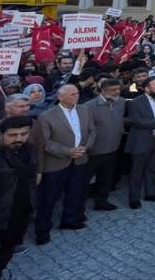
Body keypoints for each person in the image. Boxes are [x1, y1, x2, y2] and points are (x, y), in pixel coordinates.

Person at [32, 84, 97, 245]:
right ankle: (42, 230)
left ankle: (70, 220)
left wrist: (86, 147)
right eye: (72, 94)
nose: (77, 96)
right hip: (55, 163)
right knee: (49, 198)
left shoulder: (84, 110)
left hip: (80, 159)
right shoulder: (46, 116)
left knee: (75, 192)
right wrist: (68, 151)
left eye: (77, 93)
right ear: (60, 97)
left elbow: (92, 131)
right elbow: (44, 143)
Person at [0, 116, 36, 280]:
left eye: (24, 133)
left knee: (8, 249)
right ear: (2, 134)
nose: (19, 138)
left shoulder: (30, 149)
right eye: (13, 135)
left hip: (21, 212)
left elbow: (32, 177)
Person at [125, 77, 155, 208]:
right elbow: (137, 120)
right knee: (137, 170)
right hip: (140, 141)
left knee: (152, 168)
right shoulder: (135, 102)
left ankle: (151, 192)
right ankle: (134, 198)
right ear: (147, 88)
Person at [84, 78, 125, 211]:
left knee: (106, 177)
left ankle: (101, 201)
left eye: (118, 89)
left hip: (113, 148)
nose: (117, 92)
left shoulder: (121, 102)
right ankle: (78, 206)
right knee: (85, 179)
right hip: (95, 150)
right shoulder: (89, 106)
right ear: (102, 91)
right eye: (113, 90)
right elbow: (87, 129)